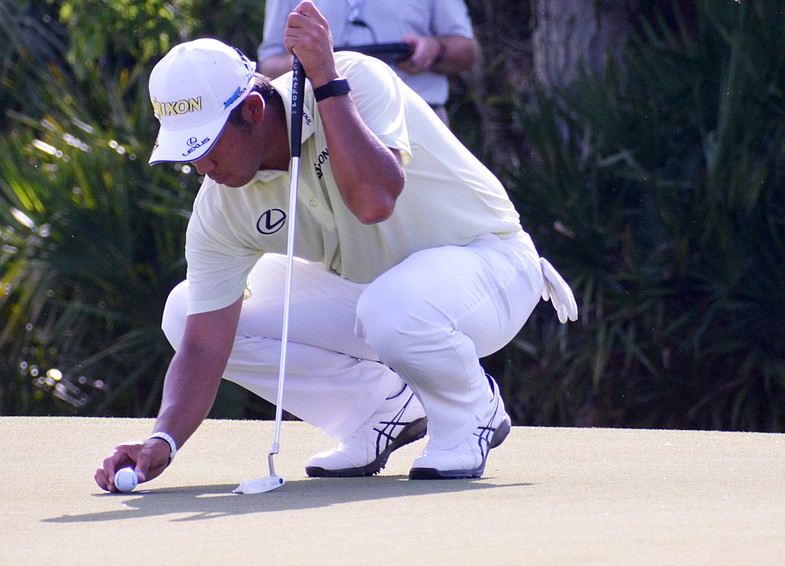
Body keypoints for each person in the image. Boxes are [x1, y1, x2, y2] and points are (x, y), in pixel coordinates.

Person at [94, 0, 576, 493]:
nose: (201, 168)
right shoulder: (220, 204)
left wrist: (326, 82)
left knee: (392, 307)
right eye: (187, 153)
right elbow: (201, 345)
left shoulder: (356, 80)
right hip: (379, 296)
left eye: (207, 146)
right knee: (184, 311)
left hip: (491, 267)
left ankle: (471, 409)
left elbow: (375, 200)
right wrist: (163, 440)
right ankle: (379, 411)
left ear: (253, 111)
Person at [257, 0, 477, 124]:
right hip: (326, 127)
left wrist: (435, 49)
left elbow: (467, 50)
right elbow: (269, 64)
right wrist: (313, 62)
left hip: (416, 121)